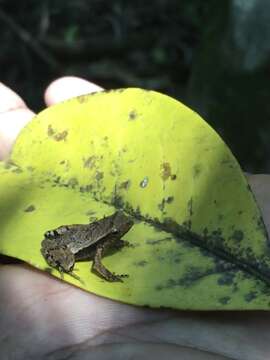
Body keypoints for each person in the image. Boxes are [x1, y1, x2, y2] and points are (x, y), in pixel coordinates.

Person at [0, 77, 269, 360]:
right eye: (119, 230)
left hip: (75, 234)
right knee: (67, 260)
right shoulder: (102, 246)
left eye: (120, 226)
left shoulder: (109, 233)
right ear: (111, 235)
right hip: (73, 246)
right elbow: (97, 267)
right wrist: (111, 275)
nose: (124, 229)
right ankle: (61, 261)